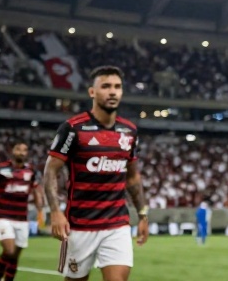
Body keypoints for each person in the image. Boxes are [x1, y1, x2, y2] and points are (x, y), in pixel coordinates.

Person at [43, 65, 149, 281]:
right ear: (92, 92)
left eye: (117, 87)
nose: (113, 92)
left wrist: (143, 214)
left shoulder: (129, 131)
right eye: (106, 86)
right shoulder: (73, 128)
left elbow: (132, 177)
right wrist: (55, 212)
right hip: (79, 226)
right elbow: (50, 171)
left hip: (116, 224)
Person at [0, 140, 44, 281]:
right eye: (18, 149)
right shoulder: (1, 168)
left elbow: (36, 191)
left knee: (15, 255)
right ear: (12, 151)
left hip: (22, 218)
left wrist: (40, 209)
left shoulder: (31, 171)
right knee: (10, 251)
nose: (21, 152)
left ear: (27, 153)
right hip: (3, 216)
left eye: (24, 150)